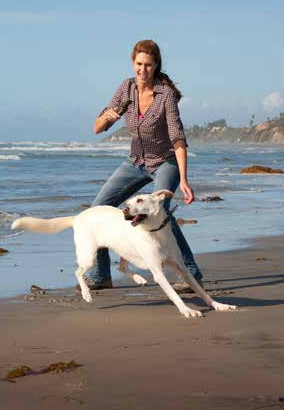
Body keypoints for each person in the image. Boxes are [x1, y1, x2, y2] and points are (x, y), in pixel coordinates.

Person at [86, 40, 202, 292]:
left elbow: (178, 138)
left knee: (161, 213)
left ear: (156, 65)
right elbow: (97, 128)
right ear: (132, 63)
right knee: (98, 209)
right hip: (135, 162)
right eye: (139, 64)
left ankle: (190, 273)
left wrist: (183, 179)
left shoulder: (165, 95)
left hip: (165, 162)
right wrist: (109, 117)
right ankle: (100, 276)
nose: (143, 70)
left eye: (148, 65)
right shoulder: (125, 89)